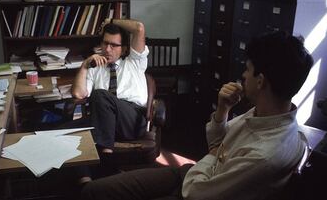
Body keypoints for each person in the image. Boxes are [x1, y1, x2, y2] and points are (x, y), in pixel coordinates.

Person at [81, 31, 314, 200]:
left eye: (248, 70)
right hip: (190, 174)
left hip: (194, 188)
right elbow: (216, 142)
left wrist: (213, 155)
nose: (243, 75)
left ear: (261, 81)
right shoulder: (263, 114)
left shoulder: (266, 155)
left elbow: (196, 192)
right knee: (94, 191)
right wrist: (223, 110)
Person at [71, 18, 149, 182]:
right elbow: (78, 94)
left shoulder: (135, 62)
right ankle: (85, 182)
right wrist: (85, 65)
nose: (107, 49)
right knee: (71, 132)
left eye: (113, 45)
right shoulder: (95, 68)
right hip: (105, 122)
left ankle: (107, 163)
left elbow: (139, 28)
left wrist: (111, 21)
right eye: (105, 43)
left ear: (125, 48)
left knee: (100, 94)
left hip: (132, 120)